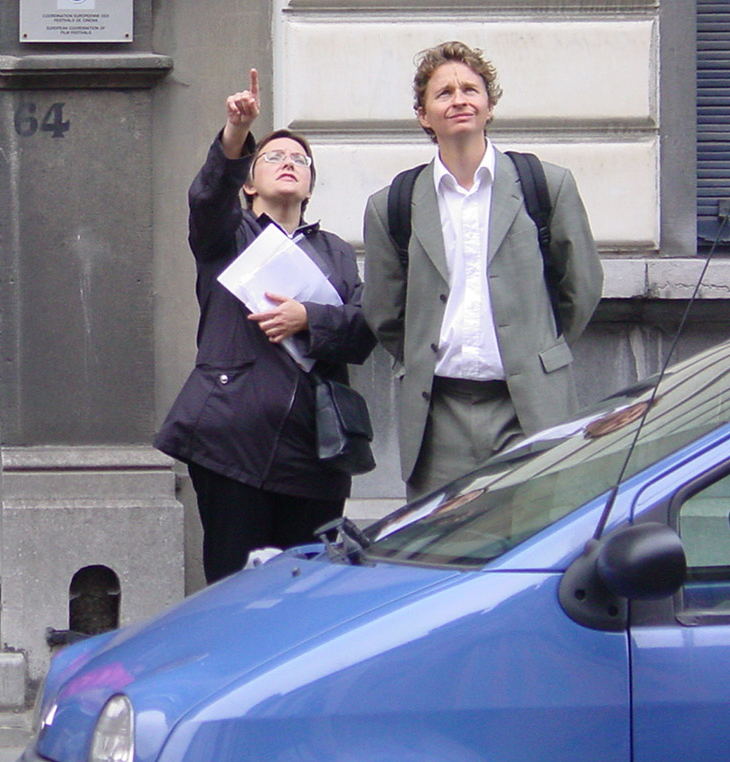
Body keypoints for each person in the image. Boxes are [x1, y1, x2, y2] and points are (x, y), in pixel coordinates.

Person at [153, 69, 377, 586]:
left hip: (316, 455)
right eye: (274, 156)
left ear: (311, 184)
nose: (289, 163)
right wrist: (236, 135)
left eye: (301, 159)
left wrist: (309, 318)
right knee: (236, 590)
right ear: (249, 182)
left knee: (306, 593)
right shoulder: (228, 235)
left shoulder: (336, 252)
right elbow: (206, 200)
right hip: (232, 445)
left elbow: (367, 328)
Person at [362, 41, 603, 498]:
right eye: (444, 92)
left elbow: (582, 286)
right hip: (438, 415)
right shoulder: (390, 206)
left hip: (529, 407)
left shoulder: (547, 186)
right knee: (445, 554)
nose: (459, 99)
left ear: (489, 106)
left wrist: (538, 351)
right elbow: (383, 312)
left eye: (471, 89)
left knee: (533, 547)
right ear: (423, 115)